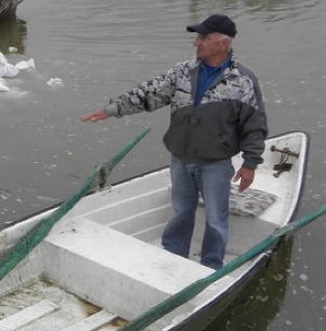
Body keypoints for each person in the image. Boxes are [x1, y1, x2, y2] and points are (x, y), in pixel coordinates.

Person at [80, 14, 267, 270]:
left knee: (216, 219)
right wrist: (111, 110)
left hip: (215, 163)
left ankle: (210, 266)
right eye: (197, 37)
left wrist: (250, 163)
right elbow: (148, 94)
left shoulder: (243, 81)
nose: (196, 43)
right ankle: (173, 254)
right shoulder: (182, 72)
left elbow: (254, 124)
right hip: (180, 158)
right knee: (181, 211)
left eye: (204, 38)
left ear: (223, 43)